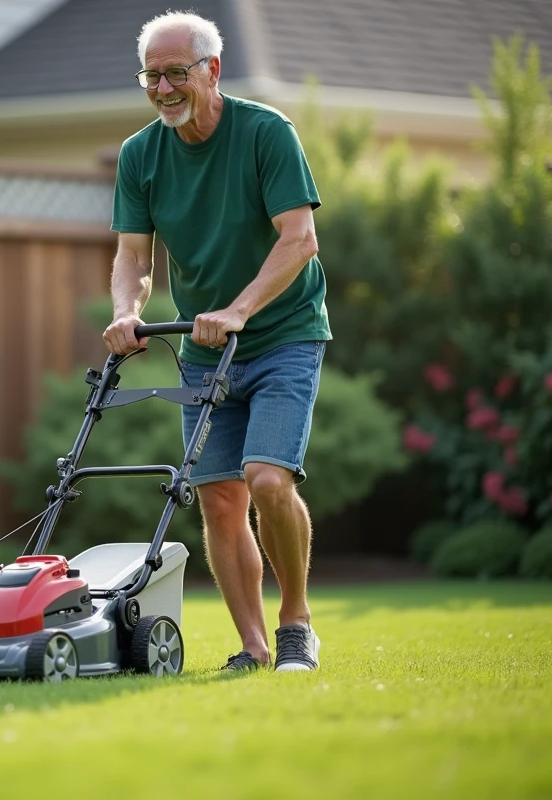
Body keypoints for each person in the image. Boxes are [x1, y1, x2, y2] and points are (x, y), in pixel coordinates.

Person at [102, 11, 331, 673]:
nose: (164, 87)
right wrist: (126, 313)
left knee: (265, 478)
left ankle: (295, 622)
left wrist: (238, 308)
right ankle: (254, 648)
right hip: (204, 350)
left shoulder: (265, 135)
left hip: (284, 333)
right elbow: (133, 257)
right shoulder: (140, 155)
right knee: (219, 495)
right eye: (153, 75)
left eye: (177, 72)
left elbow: (300, 239)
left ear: (212, 71)